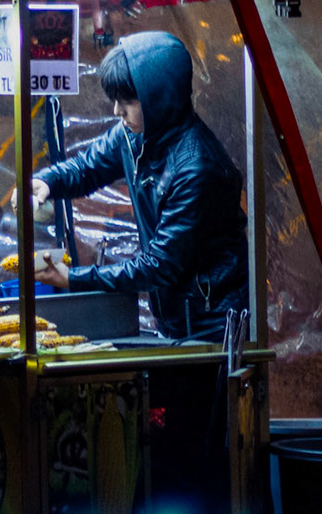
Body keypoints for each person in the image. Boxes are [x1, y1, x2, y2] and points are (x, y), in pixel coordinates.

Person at [25, 30, 247, 340]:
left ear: (160, 98)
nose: (117, 111)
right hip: (174, 316)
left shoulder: (197, 169)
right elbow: (88, 167)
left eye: (128, 101)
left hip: (213, 324)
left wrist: (73, 278)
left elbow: (159, 265)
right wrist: (47, 182)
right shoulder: (132, 135)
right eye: (115, 100)